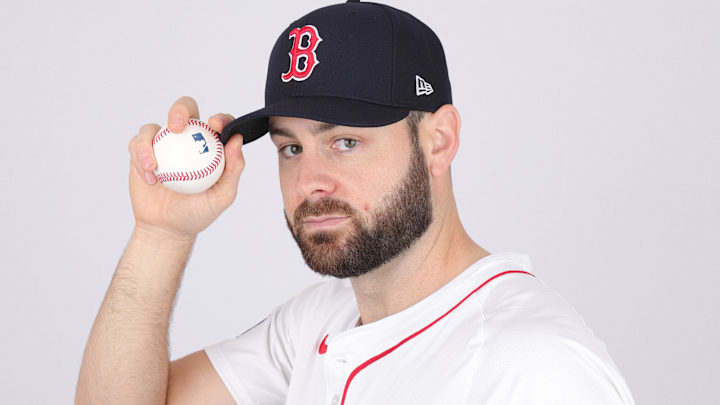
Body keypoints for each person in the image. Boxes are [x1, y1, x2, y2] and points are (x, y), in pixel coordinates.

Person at [75, 1, 636, 404]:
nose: (310, 181)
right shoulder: (315, 324)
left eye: (345, 141)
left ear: (439, 140)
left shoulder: (536, 369)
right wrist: (161, 236)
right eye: (290, 147)